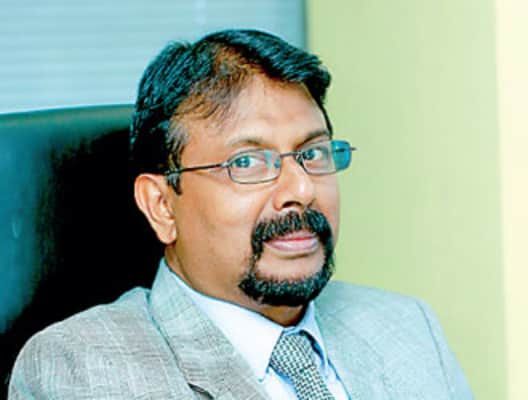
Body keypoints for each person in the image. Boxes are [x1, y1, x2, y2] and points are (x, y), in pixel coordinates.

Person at [8, 29, 473, 399]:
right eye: (247, 162)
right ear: (162, 205)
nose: (301, 190)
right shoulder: (81, 368)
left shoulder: (405, 327)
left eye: (313, 153)